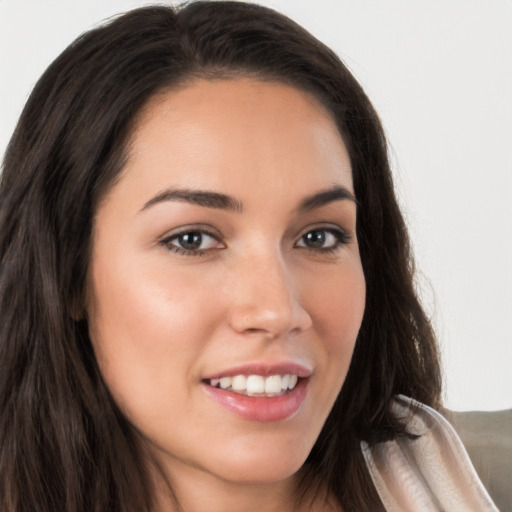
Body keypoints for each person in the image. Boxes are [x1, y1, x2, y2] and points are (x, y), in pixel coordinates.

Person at [0, 2, 498, 511]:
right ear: (66, 272)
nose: (278, 310)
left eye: (319, 237)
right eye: (192, 239)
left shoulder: (464, 477)